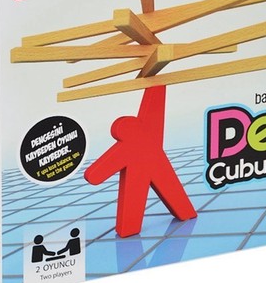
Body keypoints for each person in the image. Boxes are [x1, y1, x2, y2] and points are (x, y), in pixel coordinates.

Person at [84, 86, 197, 238]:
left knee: (133, 203)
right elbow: (96, 174)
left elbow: (96, 174)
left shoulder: (133, 142)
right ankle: (184, 211)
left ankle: (131, 227)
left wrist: (157, 87)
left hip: (146, 170)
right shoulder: (140, 137)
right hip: (150, 168)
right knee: (138, 201)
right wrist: (157, 87)